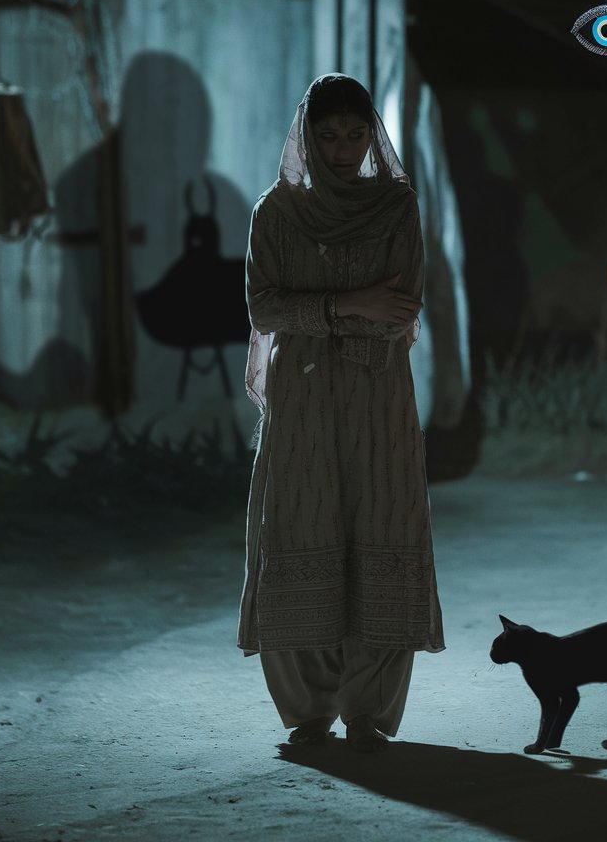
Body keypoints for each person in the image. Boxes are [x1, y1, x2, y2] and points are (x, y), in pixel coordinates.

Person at [237, 72, 445, 753]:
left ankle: (369, 710)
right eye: (327, 137)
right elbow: (263, 307)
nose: (342, 150)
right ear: (306, 136)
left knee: (380, 531)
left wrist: (318, 313)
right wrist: (349, 305)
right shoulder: (276, 213)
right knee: (300, 530)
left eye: (355, 135)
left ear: (371, 135)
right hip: (301, 403)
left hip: (378, 399)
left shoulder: (395, 207)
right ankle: (309, 708)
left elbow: (403, 311)